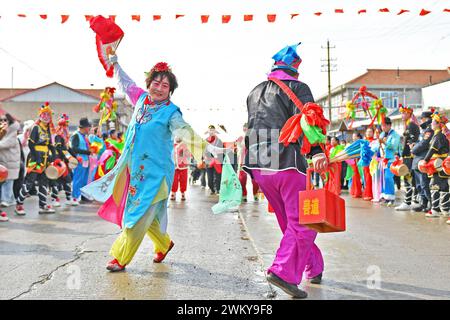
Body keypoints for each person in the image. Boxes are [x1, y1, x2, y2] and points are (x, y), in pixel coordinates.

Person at [81, 53, 220, 272]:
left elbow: (184, 130)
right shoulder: (140, 100)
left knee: (138, 215)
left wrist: (207, 149)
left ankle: (121, 256)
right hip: (135, 171)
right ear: (149, 84)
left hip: (157, 174)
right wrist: (116, 63)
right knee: (144, 213)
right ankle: (164, 244)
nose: (159, 88)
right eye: (156, 83)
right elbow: (126, 83)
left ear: (170, 90)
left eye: (165, 85)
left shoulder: (170, 112)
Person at [243, 43, 328, 299]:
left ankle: (314, 267)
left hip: (259, 165)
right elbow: (309, 120)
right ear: (295, 69)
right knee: (304, 223)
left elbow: (251, 127)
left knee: (289, 221)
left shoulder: (254, 91)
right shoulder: (299, 88)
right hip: (287, 160)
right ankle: (282, 272)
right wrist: (317, 152)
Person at [15, 103, 57, 215]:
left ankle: (43, 205)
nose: (47, 117)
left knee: (44, 182)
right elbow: (31, 144)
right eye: (45, 114)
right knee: (29, 182)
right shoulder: (35, 128)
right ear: (41, 115)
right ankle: (19, 204)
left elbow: (50, 144)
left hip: (45, 159)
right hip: (35, 159)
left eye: (49, 115)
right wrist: (36, 157)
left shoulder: (48, 129)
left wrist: (54, 154)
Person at [423, 112, 450, 218]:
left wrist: (425, 160)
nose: (431, 124)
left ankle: (435, 209)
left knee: (434, 185)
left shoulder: (438, 136)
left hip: (438, 165)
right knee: (444, 186)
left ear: (438, 124)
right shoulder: (443, 135)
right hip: (443, 164)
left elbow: (431, 150)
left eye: (433, 122)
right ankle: (445, 209)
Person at [395, 105, 420, 211]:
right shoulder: (408, 125)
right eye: (401, 113)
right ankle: (413, 200)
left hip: (409, 156)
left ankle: (408, 202)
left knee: (408, 178)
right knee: (409, 179)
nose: (402, 115)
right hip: (406, 156)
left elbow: (412, 142)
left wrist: (408, 152)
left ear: (409, 114)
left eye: (404, 113)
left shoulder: (411, 125)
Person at [50, 114, 77, 207]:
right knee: (56, 181)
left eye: (66, 125)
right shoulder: (58, 137)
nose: (66, 128)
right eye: (64, 125)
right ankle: (54, 198)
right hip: (58, 161)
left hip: (64, 161)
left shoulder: (65, 138)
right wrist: (68, 157)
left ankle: (68, 198)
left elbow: (68, 149)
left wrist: (75, 157)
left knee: (67, 179)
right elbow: (59, 149)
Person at [377, 117, 401, 206]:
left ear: (389, 125)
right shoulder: (382, 134)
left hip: (391, 160)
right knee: (383, 179)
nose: (383, 127)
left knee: (388, 177)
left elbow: (394, 147)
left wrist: (385, 142)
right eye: (382, 126)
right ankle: (385, 196)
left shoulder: (395, 135)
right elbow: (378, 146)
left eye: (384, 125)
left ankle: (391, 196)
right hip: (382, 160)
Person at [70, 117, 93, 205]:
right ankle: (75, 197)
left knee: (84, 180)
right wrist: (87, 152)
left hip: (86, 161)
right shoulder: (76, 135)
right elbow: (74, 149)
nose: (89, 129)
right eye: (88, 127)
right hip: (79, 161)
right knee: (78, 179)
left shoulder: (84, 137)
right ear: (84, 127)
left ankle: (83, 196)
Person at [0, 113, 21, 208]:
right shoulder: (4, 133)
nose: (3, 123)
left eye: (5, 121)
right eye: (1, 121)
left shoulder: (12, 135)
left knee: (7, 181)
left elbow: (5, 144)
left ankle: (5, 200)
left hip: (11, 163)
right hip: (5, 162)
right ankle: (12, 199)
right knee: (6, 182)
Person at [236, 123, 259, 202]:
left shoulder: (254, 137)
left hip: (253, 161)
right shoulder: (240, 138)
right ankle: (243, 195)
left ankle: (255, 194)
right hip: (243, 161)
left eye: (247, 127)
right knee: (242, 179)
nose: (245, 129)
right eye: (244, 127)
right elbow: (239, 148)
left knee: (255, 180)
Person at [170, 136, 191, 201]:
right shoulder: (171, 145)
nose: (178, 138)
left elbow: (189, 155)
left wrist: (187, 161)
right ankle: (173, 193)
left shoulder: (185, 145)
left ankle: (183, 193)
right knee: (174, 180)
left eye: (179, 136)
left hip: (183, 166)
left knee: (183, 180)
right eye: (176, 136)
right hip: (174, 166)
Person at [204, 125, 223, 195]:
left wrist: (218, 159)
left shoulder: (219, 141)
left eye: (212, 130)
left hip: (217, 161)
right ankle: (212, 188)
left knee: (218, 177)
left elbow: (221, 151)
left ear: (215, 131)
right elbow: (204, 151)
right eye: (210, 130)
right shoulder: (205, 141)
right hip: (208, 161)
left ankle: (218, 189)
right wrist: (206, 157)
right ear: (208, 131)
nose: (211, 131)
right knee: (210, 178)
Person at [362, 127, 375, 201]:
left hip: (372, 161)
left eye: (370, 132)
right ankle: (367, 193)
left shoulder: (375, 141)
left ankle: (371, 194)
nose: (368, 133)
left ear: (373, 133)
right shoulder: (364, 141)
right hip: (365, 161)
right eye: (367, 132)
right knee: (366, 178)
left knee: (371, 177)